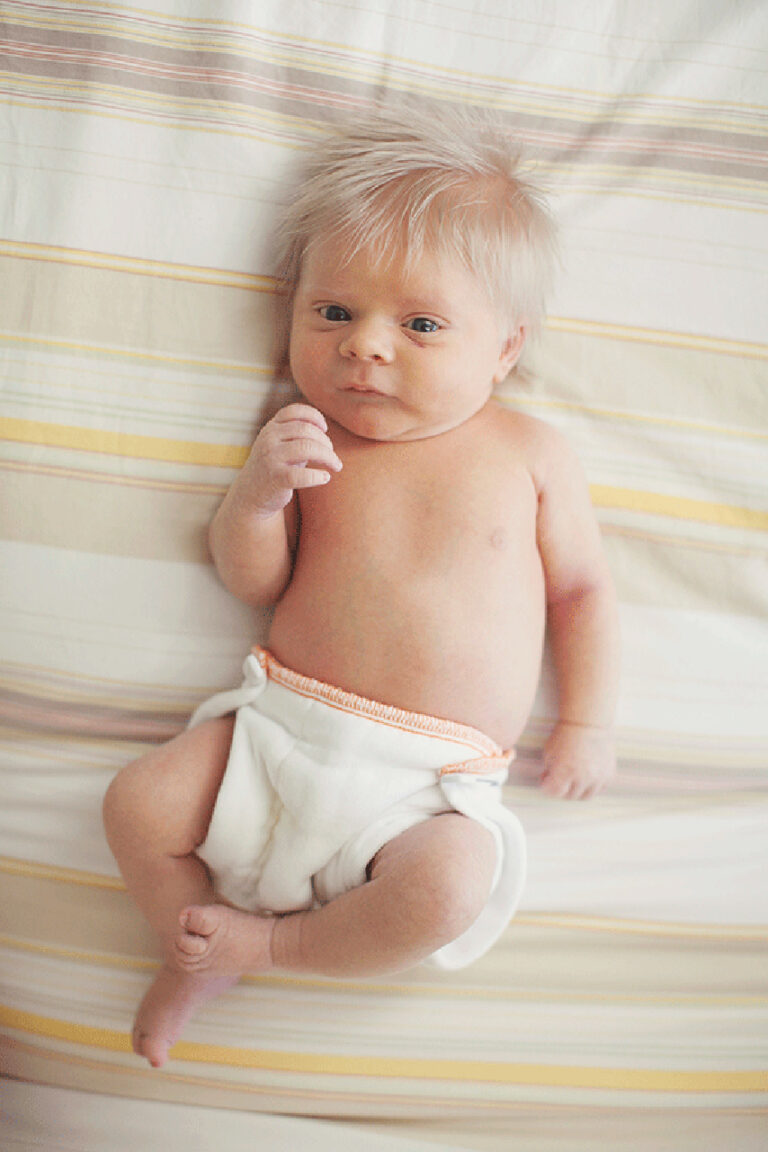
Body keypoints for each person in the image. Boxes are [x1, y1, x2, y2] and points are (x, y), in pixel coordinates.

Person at [103, 103, 620, 1070]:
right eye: (333, 311)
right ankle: (191, 941)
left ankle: (268, 947)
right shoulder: (306, 437)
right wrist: (258, 497)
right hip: (275, 729)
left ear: (504, 348)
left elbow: (582, 592)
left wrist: (587, 719)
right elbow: (254, 578)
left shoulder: (529, 453)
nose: (365, 345)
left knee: (449, 891)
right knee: (137, 803)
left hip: (427, 787)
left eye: (421, 324)